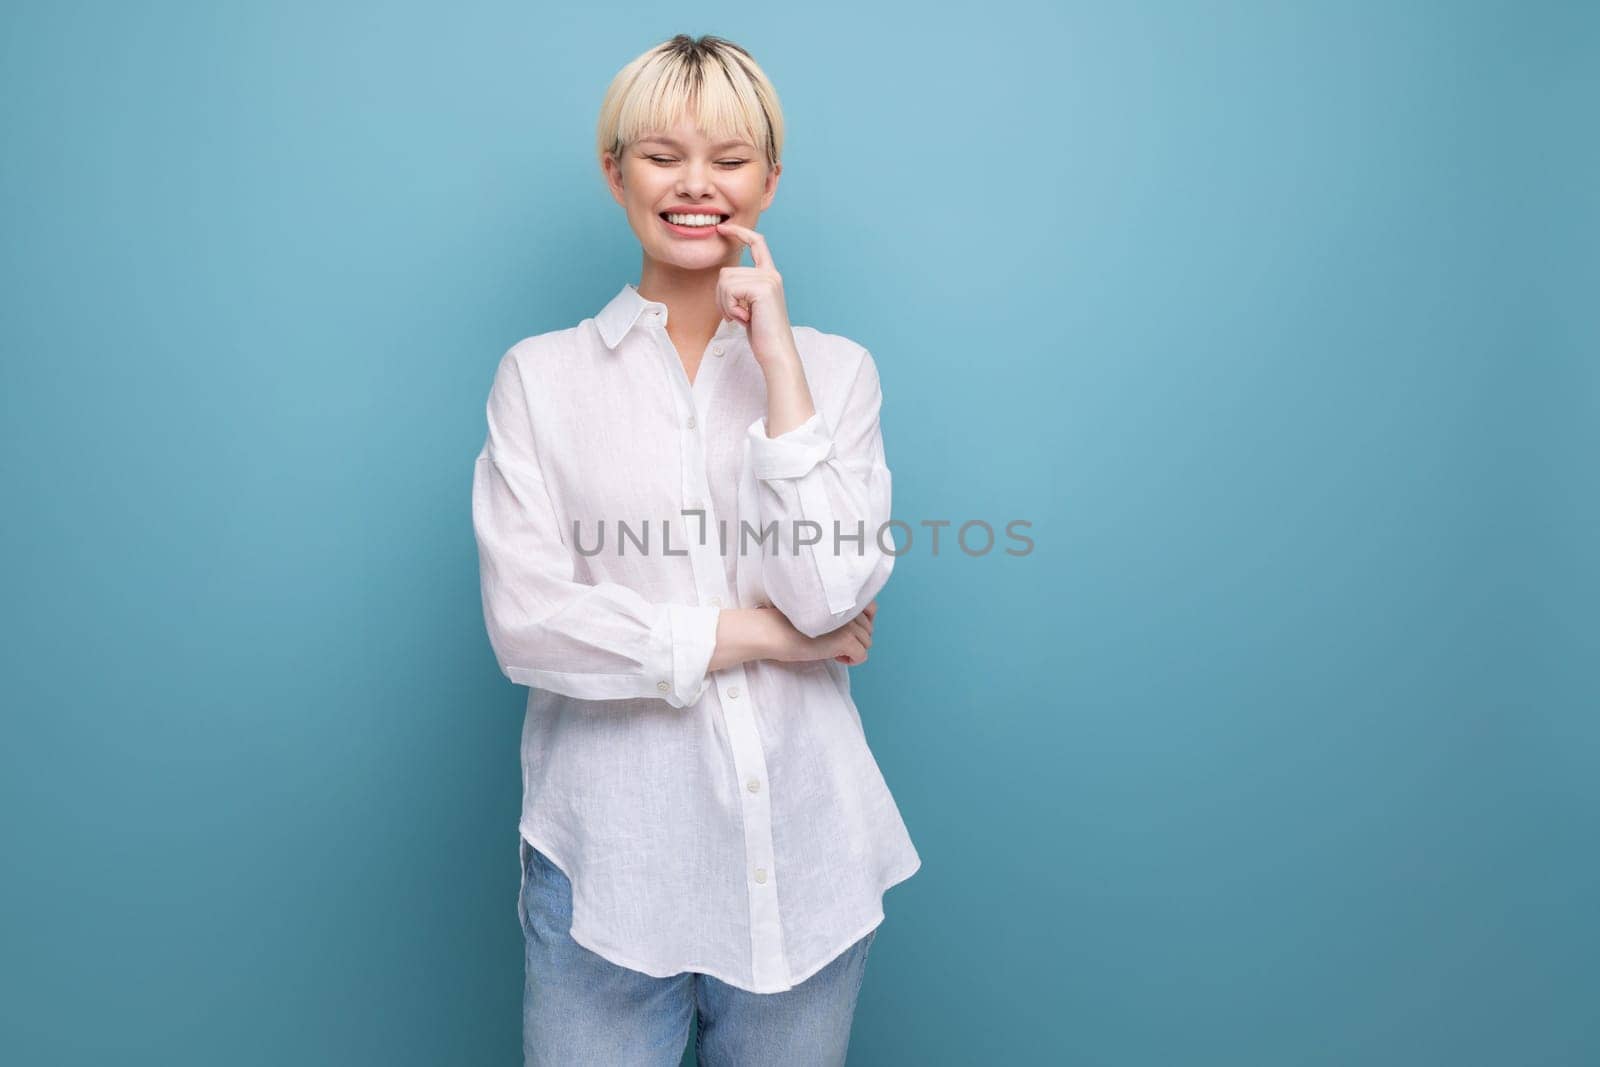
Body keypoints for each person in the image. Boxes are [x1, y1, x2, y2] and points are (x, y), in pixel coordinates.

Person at [470, 33, 921, 1066]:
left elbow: (832, 593)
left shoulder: (836, 372)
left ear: (769, 176)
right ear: (614, 168)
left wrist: (779, 367)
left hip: (807, 863)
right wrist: (762, 634)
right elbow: (532, 627)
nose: (696, 185)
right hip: (608, 868)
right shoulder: (541, 378)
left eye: (729, 158)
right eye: (663, 154)